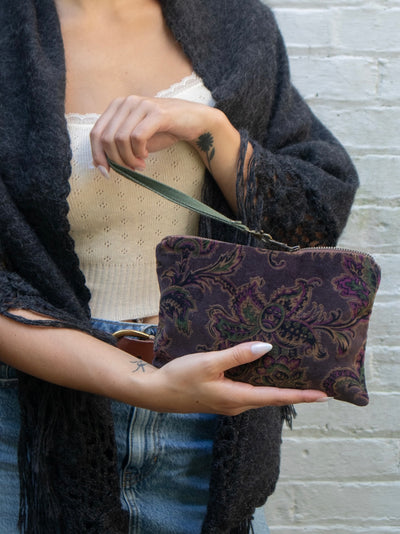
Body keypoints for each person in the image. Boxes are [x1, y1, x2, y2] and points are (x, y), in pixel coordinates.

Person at [0, 0, 359, 533]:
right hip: (28, 425)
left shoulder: (234, 21)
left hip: (208, 428)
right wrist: (146, 384)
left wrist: (211, 131)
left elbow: (312, 215)